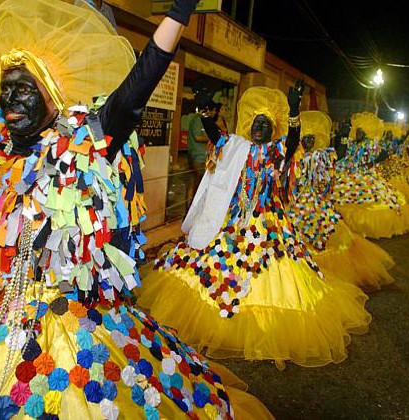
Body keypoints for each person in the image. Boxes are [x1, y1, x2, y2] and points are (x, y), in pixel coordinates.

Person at [0, 1, 273, 418]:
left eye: (24, 88)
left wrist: (178, 14)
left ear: (53, 96)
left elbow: (138, 85)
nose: (10, 99)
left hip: (68, 324)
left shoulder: (84, 143)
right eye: (6, 87)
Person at [138, 84, 371, 369]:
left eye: (265, 124)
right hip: (235, 219)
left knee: (272, 266)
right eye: (256, 123)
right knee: (215, 258)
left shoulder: (277, 150)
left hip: (268, 221)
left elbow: (294, 140)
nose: (259, 127)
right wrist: (204, 113)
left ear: (273, 130)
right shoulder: (238, 147)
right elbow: (216, 136)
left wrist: (295, 112)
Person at [287, 110, 395, 291]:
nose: (309, 142)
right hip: (294, 203)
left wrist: (344, 137)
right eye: (306, 138)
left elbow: (340, 155)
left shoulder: (320, 156)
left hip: (316, 203)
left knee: (326, 232)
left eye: (312, 139)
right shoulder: (293, 157)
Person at [333, 112, 409, 239]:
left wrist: (371, 162)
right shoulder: (352, 143)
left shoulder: (371, 144)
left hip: (365, 175)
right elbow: (343, 155)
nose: (358, 134)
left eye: (360, 132)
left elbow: (384, 154)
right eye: (357, 132)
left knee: (371, 196)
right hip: (349, 171)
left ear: (365, 133)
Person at [185, 107, 208, 210]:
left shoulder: (199, 119)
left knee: (193, 182)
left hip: (197, 155)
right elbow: (197, 137)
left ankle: (189, 209)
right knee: (196, 183)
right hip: (197, 156)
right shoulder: (197, 120)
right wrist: (211, 138)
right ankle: (191, 209)